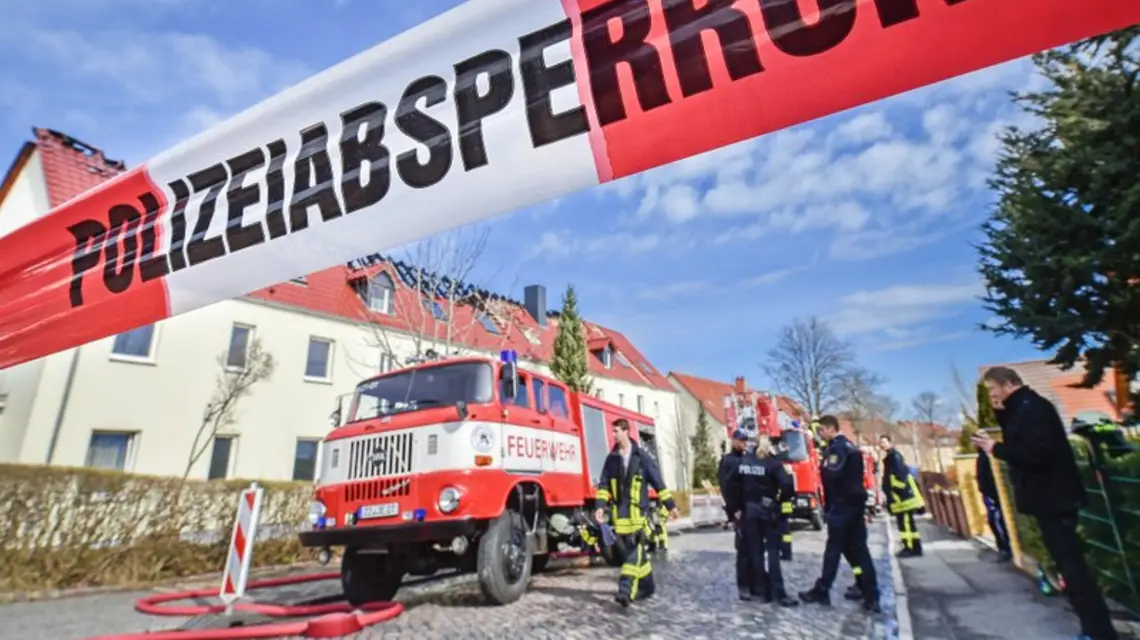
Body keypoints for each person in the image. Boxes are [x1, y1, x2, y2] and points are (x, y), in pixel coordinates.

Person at [972, 367, 1118, 640]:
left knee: (1074, 571)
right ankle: (1093, 629)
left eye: (993, 390)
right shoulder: (1023, 408)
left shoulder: (1033, 408)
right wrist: (1001, 413)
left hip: (1055, 499)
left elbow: (1037, 453)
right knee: (1069, 568)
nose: (991, 395)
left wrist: (996, 449)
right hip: (1048, 500)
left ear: (1006, 385)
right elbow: (1021, 439)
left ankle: (1099, 632)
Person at [594, 418, 680, 608]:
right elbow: (603, 484)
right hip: (620, 518)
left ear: (626, 431)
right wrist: (600, 506)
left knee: (632, 556)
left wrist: (671, 506)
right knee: (632, 555)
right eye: (613, 431)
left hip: (638, 518)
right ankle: (647, 586)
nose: (613, 435)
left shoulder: (641, 457)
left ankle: (625, 592)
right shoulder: (612, 459)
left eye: (616, 431)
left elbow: (658, 483)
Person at [800, 415, 880, 613]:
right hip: (854, 507)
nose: (820, 434)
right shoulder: (851, 446)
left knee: (834, 550)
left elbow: (831, 473)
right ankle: (868, 591)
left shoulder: (838, 448)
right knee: (855, 550)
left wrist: (824, 460)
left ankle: (823, 589)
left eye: (821, 431)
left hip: (842, 506)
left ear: (829, 428)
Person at [723, 431, 799, 607]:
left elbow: (730, 485)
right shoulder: (773, 463)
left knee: (756, 552)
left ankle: (763, 590)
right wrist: (779, 501)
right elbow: (787, 485)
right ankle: (778, 592)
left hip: (749, 512)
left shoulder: (743, 462)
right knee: (772, 552)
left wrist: (736, 508)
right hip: (769, 511)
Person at [719, 430, 760, 597]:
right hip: (739, 510)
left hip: (752, 508)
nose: (743, 443)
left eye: (745, 440)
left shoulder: (747, 459)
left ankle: (756, 583)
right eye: (741, 440)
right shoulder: (727, 461)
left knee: (755, 548)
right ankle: (743, 586)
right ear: (733, 440)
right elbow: (725, 487)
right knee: (743, 549)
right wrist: (733, 509)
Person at [880, 435, 926, 558]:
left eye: (884, 442)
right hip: (900, 499)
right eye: (881, 443)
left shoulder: (894, 457)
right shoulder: (891, 457)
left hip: (902, 499)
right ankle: (914, 547)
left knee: (905, 524)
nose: (882, 445)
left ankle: (910, 548)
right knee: (907, 524)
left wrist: (891, 489)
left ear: (890, 442)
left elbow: (900, 478)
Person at [975, 448, 1012, 562]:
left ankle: (1006, 549)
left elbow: (990, 477)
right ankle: (1003, 547)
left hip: (993, 495)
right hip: (989, 495)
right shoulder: (981, 457)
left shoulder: (989, 456)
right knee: (994, 521)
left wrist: (990, 493)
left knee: (997, 521)